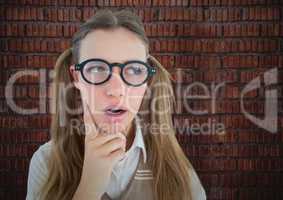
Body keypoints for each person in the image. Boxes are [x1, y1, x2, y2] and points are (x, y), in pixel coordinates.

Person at [26, 9, 206, 200]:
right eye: (97, 68)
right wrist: (88, 187)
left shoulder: (180, 174)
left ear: (146, 81)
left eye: (135, 70)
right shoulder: (46, 163)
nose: (116, 89)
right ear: (77, 77)